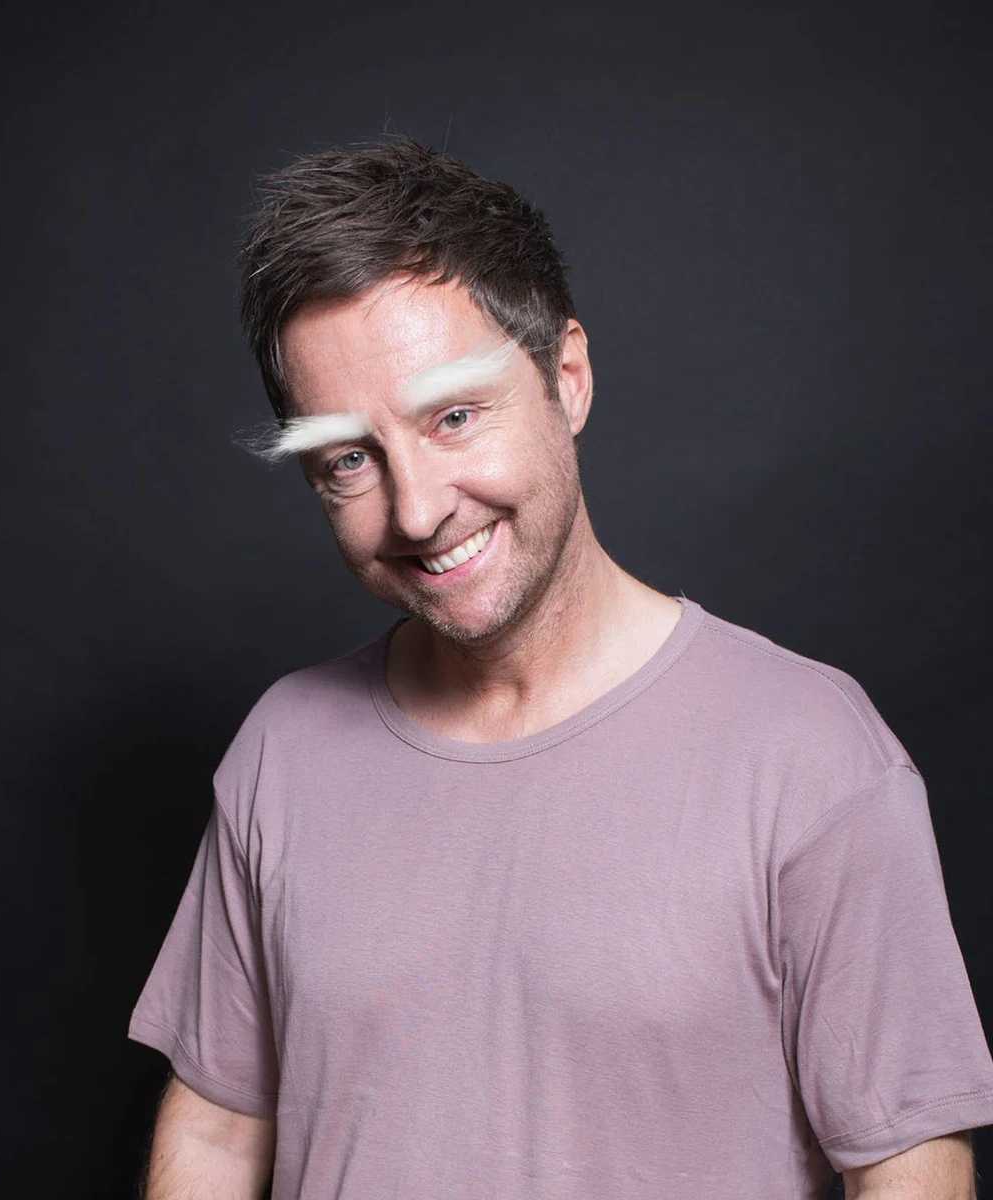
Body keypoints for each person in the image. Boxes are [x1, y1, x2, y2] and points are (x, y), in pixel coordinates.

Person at [128, 135, 993, 1198]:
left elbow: (910, 1167)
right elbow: (218, 1134)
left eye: (454, 417)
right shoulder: (283, 750)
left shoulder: (812, 755)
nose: (417, 511)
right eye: (350, 458)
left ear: (566, 378)